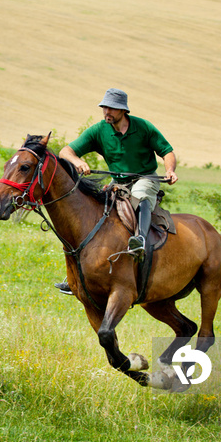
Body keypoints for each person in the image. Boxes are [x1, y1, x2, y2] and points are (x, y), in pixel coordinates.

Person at [54, 88, 178, 294]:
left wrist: (170, 170)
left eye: (111, 108)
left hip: (144, 178)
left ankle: (140, 240)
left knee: (139, 197)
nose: (106, 112)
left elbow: (167, 152)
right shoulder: (99, 130)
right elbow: (65, 151)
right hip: (117, 182)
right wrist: (77, 161)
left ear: (123, 110)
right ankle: (78, 275)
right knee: (92, 213)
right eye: (104, 107)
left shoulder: (143, 127)